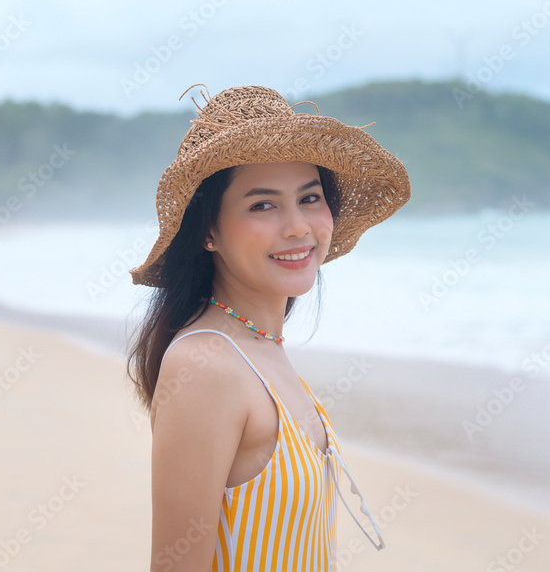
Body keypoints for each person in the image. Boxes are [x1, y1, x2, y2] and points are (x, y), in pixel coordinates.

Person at [127, 84, 411, 571]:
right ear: (209, 231)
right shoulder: (207, 365)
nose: (298, 227)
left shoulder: (259, 347)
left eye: (310, 197)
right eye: (263, 205)